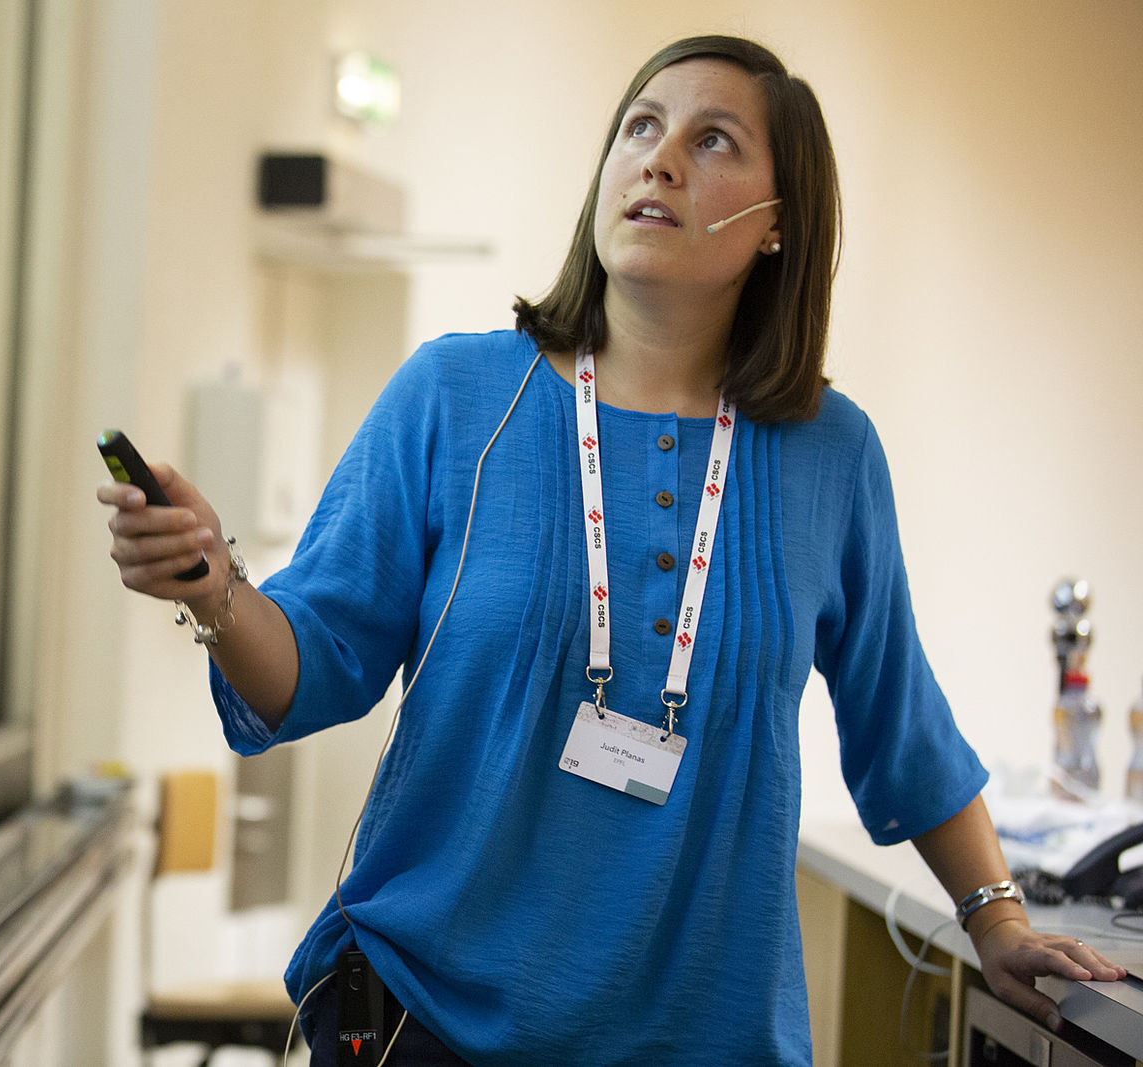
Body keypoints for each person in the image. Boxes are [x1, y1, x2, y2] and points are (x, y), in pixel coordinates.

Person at [100, 33, 1126, 1066]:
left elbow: (900, 719)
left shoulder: (830, 453)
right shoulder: (456, 397)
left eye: (712, 140)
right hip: (430, 1018)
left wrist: (997, 918)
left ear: (778, 222)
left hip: (708, 1039)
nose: (659, 159)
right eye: (640, 127)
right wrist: (216, 589)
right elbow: (312, 660)